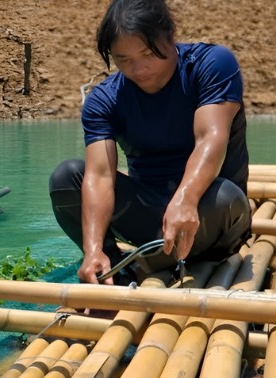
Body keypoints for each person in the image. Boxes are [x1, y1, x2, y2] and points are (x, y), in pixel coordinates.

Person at [49, 0, 251, 285]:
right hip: (151, 218)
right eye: (124, 60)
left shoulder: (212, 65)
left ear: (169, 36)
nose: (139, 69)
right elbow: (100, 176)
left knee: (223, 196)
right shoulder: (104, 100)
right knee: (66, 177)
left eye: (147, 53)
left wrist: (186, 199)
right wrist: (93, 247)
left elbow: (210, 137)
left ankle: (139, 267)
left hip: (212, 216)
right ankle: (106, 265)